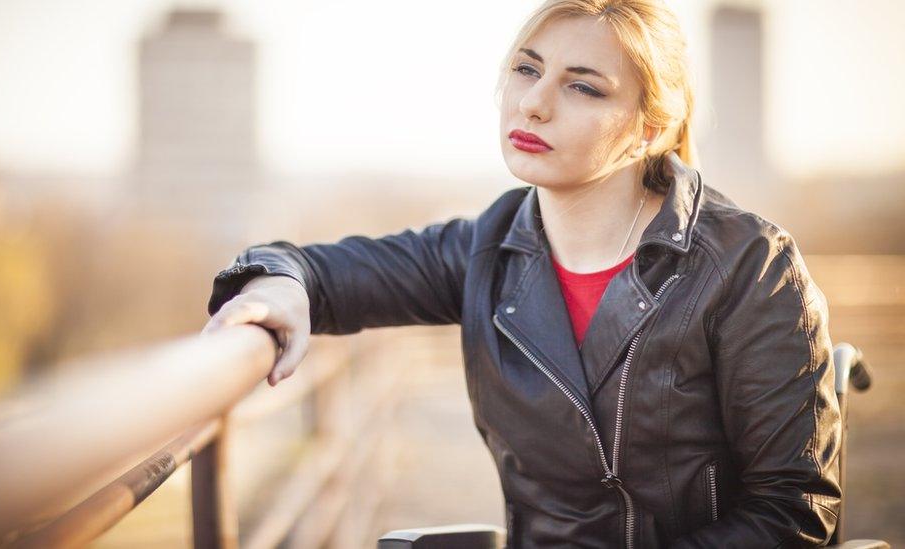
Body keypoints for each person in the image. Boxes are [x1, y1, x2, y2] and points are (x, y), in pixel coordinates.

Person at [203, 1, 842, 546]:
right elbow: (320, 271)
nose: (533, 104)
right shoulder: (486, 249)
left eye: (583, 86)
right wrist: (279, 281)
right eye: (526, 69)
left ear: (650, 129)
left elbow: (793, 513)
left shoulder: (747, 264)